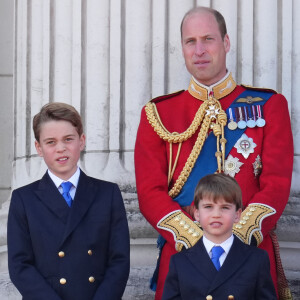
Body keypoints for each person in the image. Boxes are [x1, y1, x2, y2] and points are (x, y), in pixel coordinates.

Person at [134, 6, 293, 300]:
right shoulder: (158, 113)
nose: (199, 50)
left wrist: (234, 240)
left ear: (226, 43)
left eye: (208, 39)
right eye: (190, 41)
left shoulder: (269, 105)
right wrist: (198, 240)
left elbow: (277, 185)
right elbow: (149, 191)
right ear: (182, 48)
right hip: (184, 257)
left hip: (250, 257)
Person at [7, 102, 130, 300]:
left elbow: (119, 261)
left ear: (81, 141)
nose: (61, 148)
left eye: (68, 139)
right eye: (51, 142)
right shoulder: (24, 199)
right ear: (39, 147)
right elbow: (19, 266)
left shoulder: (108, 194)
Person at [162, 173, 277, 300]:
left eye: (225, 207)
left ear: (237, 215)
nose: (216, 214)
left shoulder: (257, 259)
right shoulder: (179, 262)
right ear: (197, 214)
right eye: (208, 207)